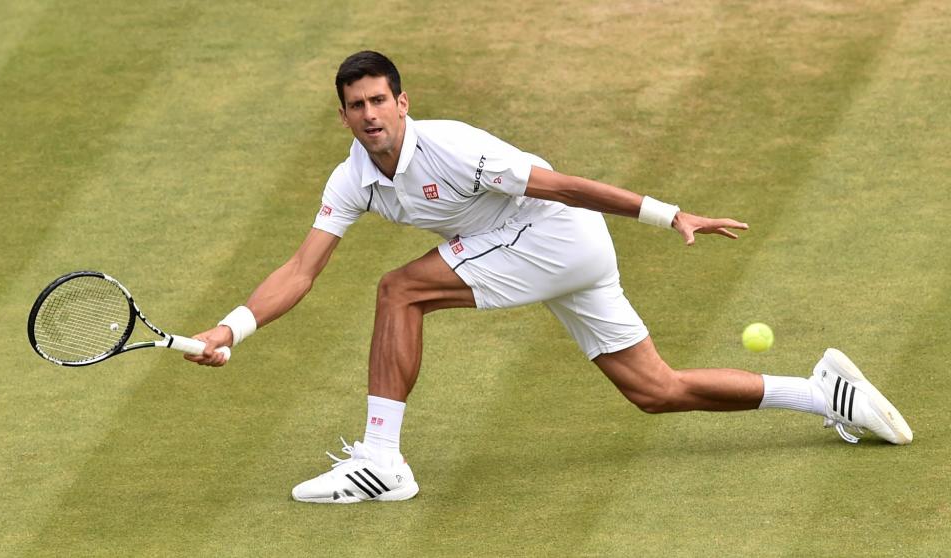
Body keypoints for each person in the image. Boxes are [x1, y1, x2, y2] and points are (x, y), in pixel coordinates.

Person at [186, 51, 912, 504]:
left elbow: (561, 186)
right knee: (654, 391)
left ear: (402, 103)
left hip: (553, 235)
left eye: (381, 100)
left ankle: (382, 461)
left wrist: (669, 215)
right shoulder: (351, 179)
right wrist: (229, 329)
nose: (371, 114)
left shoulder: (454, 148)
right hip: (543, 252)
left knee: (398, 289)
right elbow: (301, 267)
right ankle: (824, 394)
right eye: (357, 105)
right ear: (343, 115)